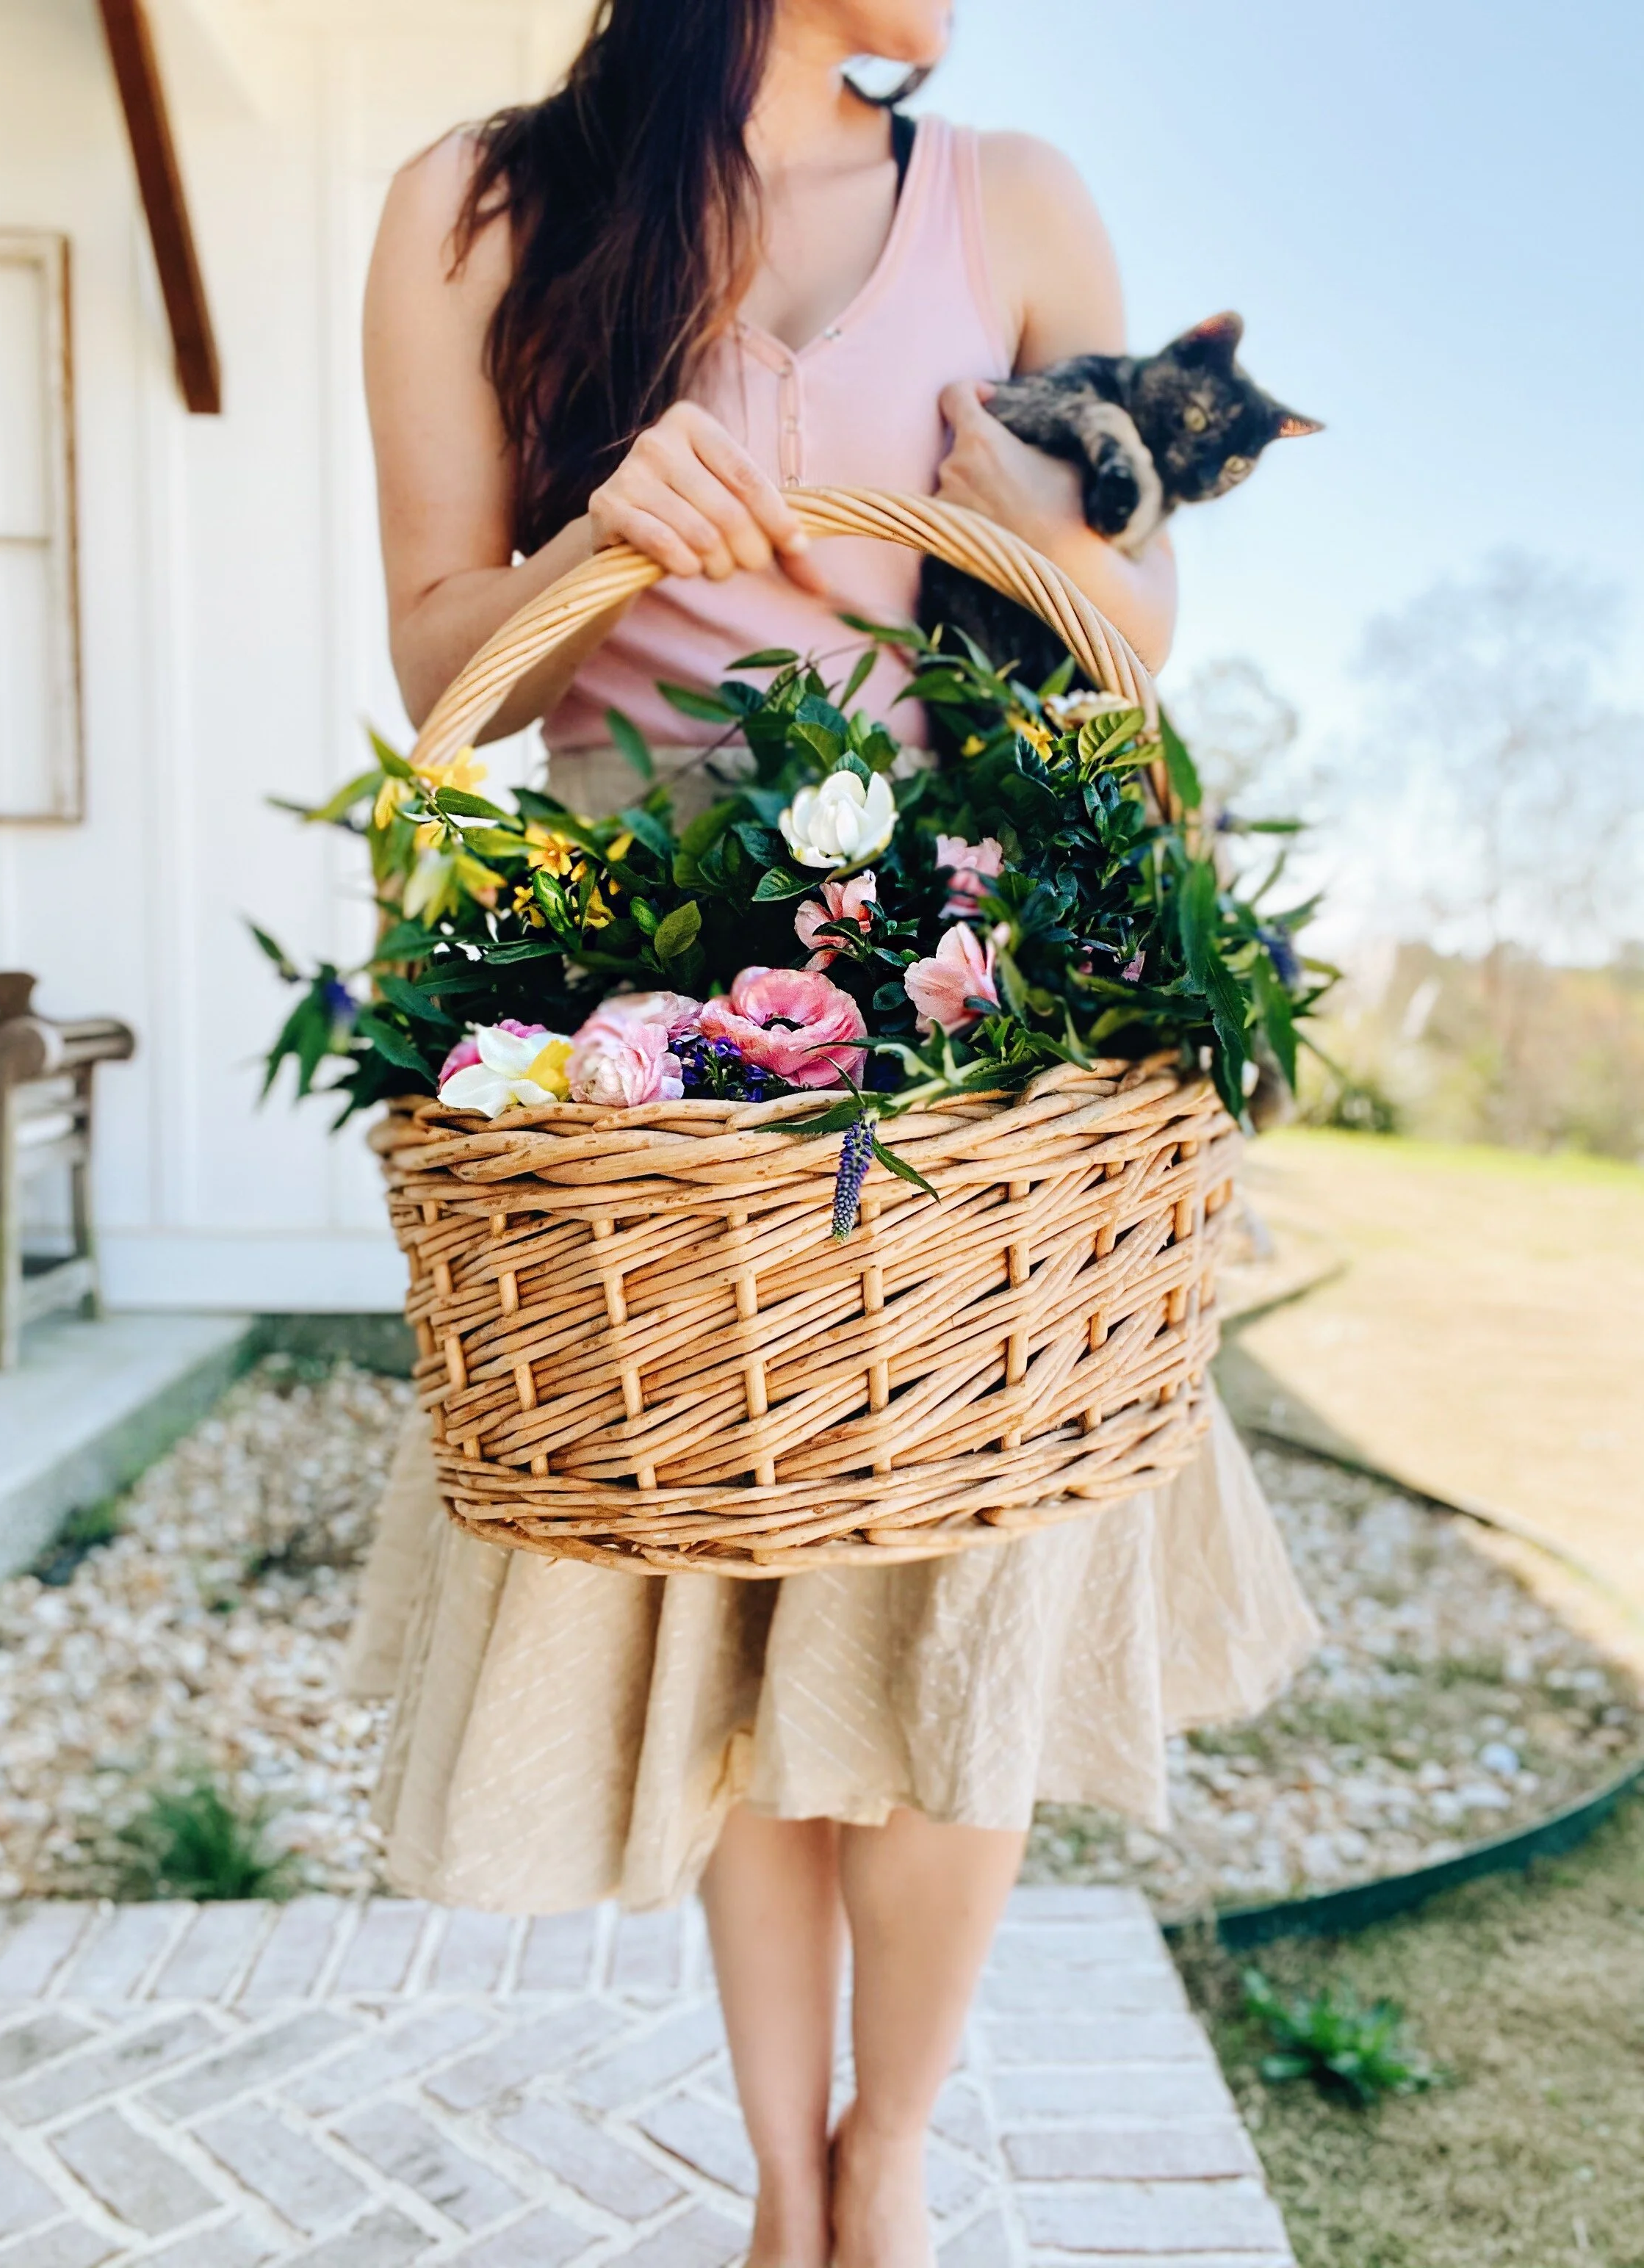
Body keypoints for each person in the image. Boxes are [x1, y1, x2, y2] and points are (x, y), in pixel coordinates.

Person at [353, 5, 1317, 2262]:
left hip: (982, 1035)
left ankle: (886, 2165)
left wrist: (1039, 538)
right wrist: (596, 530)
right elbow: (440, 668)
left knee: (949, 1631)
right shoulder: (483, 208)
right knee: (746, 1629)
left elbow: (1134, 640)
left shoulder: (1018, 199)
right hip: (661, 1049)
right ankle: (786, 2186)